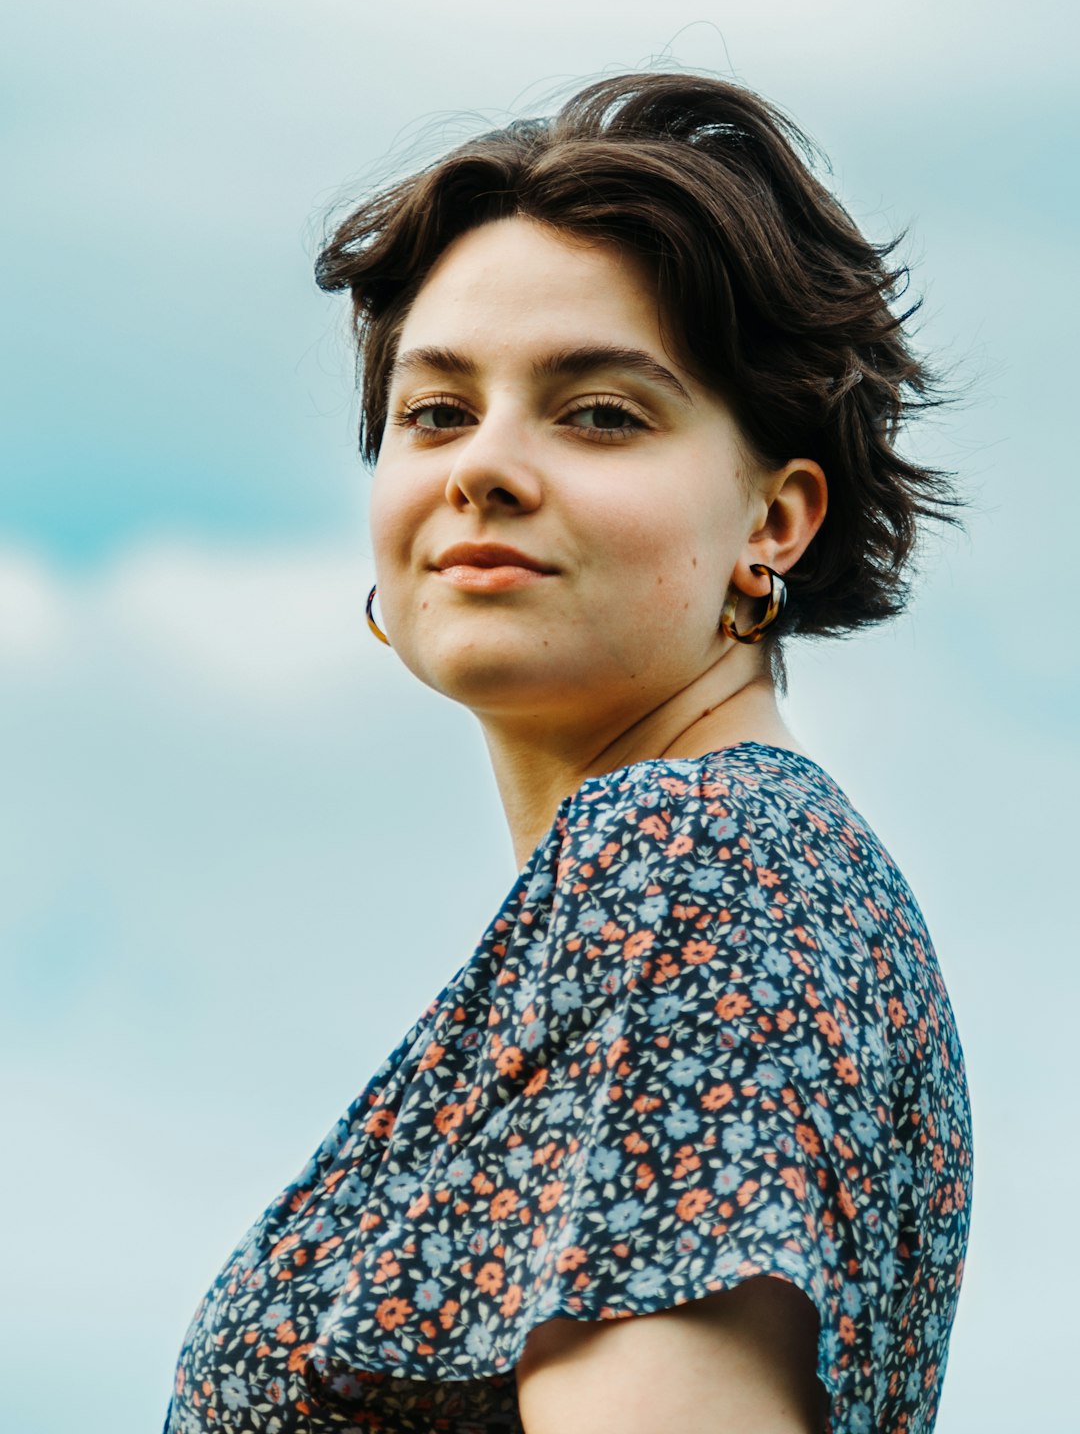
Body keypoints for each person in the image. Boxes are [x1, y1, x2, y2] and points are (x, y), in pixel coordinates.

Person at [163, 73, 974, 1434]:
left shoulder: (704, 860)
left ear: (775, 519)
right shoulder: (736, 881)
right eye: (435, 413)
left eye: (598, 412)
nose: (483, 466)